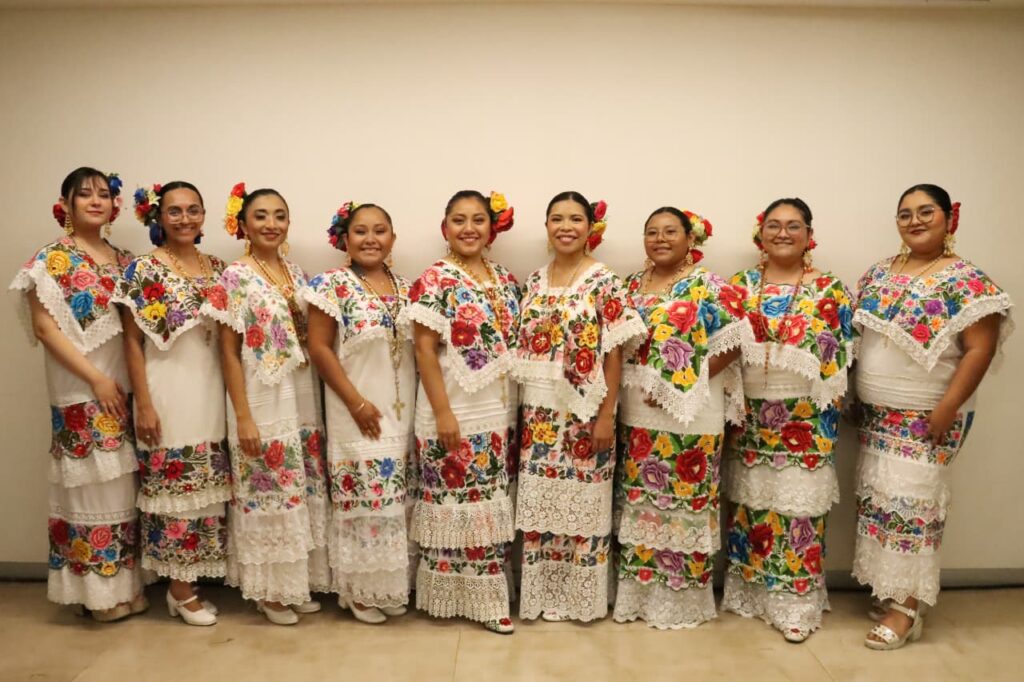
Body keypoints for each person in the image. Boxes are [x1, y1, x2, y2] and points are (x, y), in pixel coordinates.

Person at [851, 184, 1012, 650]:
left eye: (926, 212)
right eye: (905, 214)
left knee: (913, 508)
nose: (915, 221)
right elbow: (862, 340)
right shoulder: (880, 272)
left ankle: (906, 611)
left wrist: (947, 407)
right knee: (882, 505)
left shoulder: (968, 281)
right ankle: (892, 591)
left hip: (928, 415)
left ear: (949, 219)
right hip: (878, 415)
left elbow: (980, 349)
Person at [10, 167, 145, 621]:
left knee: (123, 485)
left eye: (103, 194)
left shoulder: (125, 261)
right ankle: (98, 596)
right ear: (66, 204)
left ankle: (127, 586)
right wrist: (96, 379)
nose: (95, 201)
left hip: (123, 382)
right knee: (90, 486)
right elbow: (45, 329)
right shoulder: (50, 260)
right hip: (80, 383)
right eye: (84, 194)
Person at [721, 198, 854, 642]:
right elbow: (722, 349)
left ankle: (796, 606)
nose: (783, 233)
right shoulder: (740, 286)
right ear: (760, 234)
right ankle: (752, 595)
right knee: (753, 508)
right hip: (750, 416)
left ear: (809, 235)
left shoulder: (830, 290)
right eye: (774, 225)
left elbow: (844, 359)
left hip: (807, 418)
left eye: (793, 225)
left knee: (799, 511)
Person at [513, 191, 646, 623]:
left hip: (585, 414)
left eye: (575, 219)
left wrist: (607, 414)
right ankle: (543, 596)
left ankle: (579, 599)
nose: (565, 227)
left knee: (584, 508)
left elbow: (614, 352)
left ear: (591, 228)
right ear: (546, 226)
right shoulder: (534, 280)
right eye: (557, 218)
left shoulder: (603, 280)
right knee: (543, 508)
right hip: (538, 415)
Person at [202, 184, 330, 625]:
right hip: (260, 394)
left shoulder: (297, 273)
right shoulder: (235, 277)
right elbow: (227, 350)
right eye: (260, 216)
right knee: (268, 488)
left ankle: (294, 583)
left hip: (300, 393)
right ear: (243, 224)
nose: (271, 224)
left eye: (279, 215)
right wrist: (243, 416)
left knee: (298, 486)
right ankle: (269, 592)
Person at [614, 207, 744, 629]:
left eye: (671, 231)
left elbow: (735, 342)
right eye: (652, 232)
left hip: (691, 414)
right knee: (643, 503)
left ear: (690, 239)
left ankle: (681, 603)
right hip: (637, 412)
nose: (660, 239)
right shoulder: (630, 285)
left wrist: (685, 382)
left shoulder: (709, 285)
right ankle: (639, 598)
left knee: (683, 502)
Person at [117, 181, 228, 625]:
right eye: (175, 211)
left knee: (206, 491)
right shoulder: (143, 270)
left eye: (193, 210)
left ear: (204, 216)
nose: (185, 218)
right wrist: (143, 403)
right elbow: (131, 341)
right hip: (167, 387)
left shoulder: (218, 268)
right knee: (175, 491)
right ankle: (179, 590)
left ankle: (191, 583)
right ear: (159, 217)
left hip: (211, 387)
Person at [407, 190, 519, 634]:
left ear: (492, 228)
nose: (469, 228)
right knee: (456, 507)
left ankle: (485, 597)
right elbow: (424, 349)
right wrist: (443, 413)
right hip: (453, 409)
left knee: (487, 508)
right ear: (445, 228)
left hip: (497, 414)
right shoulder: (434, 279)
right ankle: (459, 598)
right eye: (459, 220)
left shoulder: (506, 279)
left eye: (477, 219)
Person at [305, 201, 415, 624]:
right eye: (361, 231)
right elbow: (319, 348)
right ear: (345, 239)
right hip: (356, 410)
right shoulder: (330, 285)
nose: (371, 239)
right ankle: (357, 591)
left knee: (392, 502)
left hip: (399, 408)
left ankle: (384, 586)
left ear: (393, 237)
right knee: (364, 501)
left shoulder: (407, 287)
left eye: (380, 230)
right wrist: (356, 403)